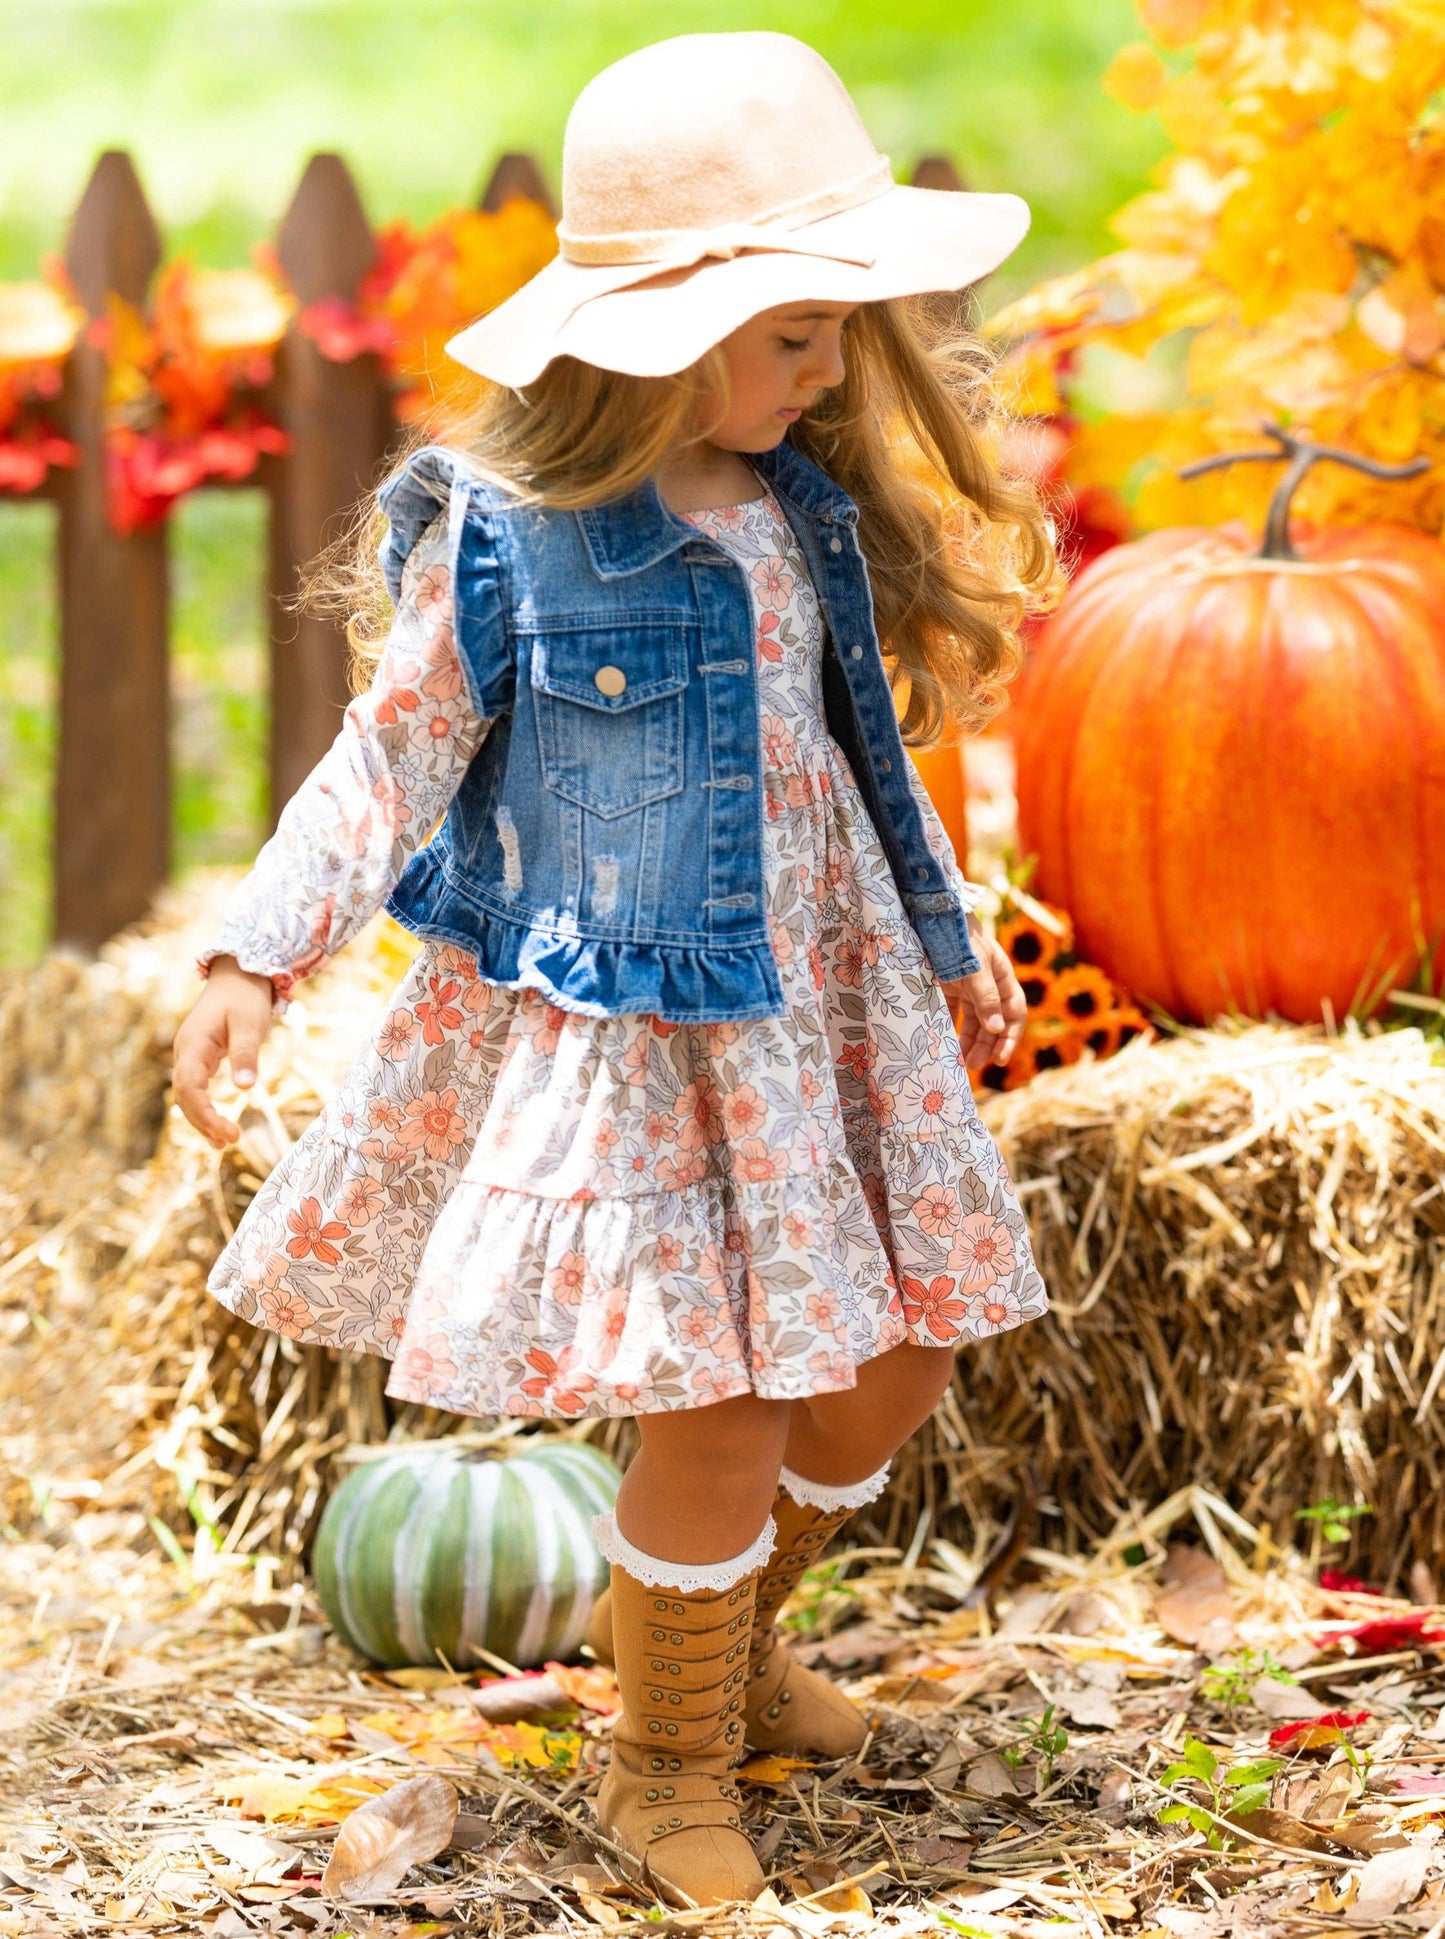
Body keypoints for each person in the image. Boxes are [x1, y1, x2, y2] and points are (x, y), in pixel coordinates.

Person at [172, 31, 1057, 1907]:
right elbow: (389, 755)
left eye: (832, 330)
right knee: (719, 1406)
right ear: (657, 328)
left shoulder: (799, 511)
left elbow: (861, 759)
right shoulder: (516, 545)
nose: (830, 371)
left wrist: (937, 934)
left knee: (897, 1357)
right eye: (794, 334)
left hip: (821, 1009)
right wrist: (261, 950)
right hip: (652, 1029)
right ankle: (656, 1758)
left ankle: (720, 1655)